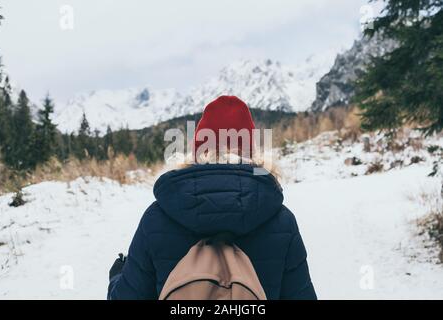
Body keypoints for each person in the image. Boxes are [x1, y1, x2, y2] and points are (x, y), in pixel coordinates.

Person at [107, 95, 317, 300]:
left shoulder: (157, 218)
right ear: (251, 152)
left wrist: (117, 276)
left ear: (198, 150)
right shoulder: (281, 221)